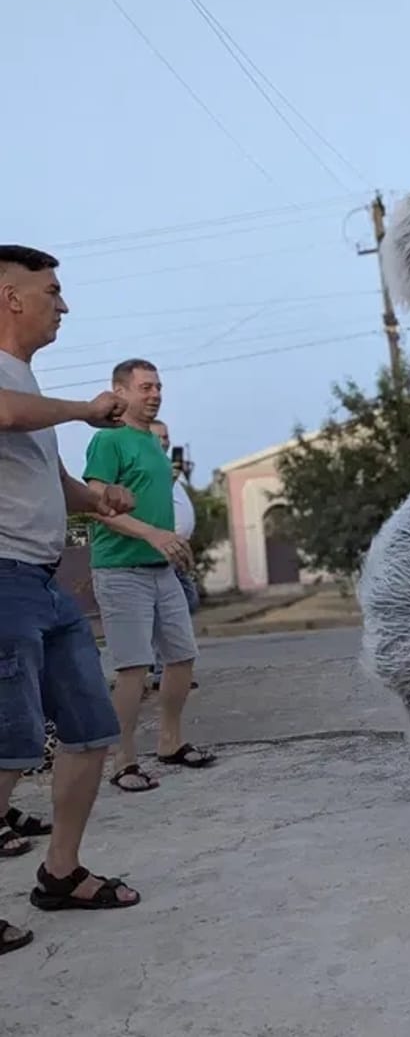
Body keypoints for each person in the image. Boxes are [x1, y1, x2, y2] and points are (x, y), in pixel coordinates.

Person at [0, 244, 142, 954]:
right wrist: (86, 409)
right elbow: (6, 413)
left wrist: (97, 499)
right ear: (11, 298)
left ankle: (60, 873)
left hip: (43, 581)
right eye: (52, 290)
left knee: (88, 732)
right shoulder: (9, 386)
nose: (64, 303)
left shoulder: (24, 382)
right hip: (1, 581)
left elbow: (48, 475)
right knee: (9, 743)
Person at [83, 358, 215, 794]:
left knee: (181, 658)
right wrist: (152, 535)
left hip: (162, 569)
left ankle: (170, 742)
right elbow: (96, 505)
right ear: (119, 392)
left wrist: (175, 542)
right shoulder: (109, 441)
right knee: (134, 669)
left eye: (158, 386)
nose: (155, 394)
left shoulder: (153, 446)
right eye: (145, 387)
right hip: (122, 571)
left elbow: (160, 509)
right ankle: (123, 761)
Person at [148, 419, 200, 691]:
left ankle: (164, 665)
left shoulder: (166, 470)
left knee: (183, 605)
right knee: (169, 610)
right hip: (163, 551)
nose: (165, 442)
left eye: (167, 436)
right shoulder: (155, 472)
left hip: (176, 551)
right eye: (159, 437)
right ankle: (162, 669)